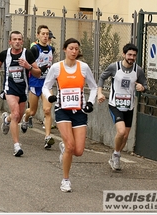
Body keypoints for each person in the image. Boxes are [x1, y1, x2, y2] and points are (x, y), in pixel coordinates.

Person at [42, 38, 97, 192]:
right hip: (62, 110)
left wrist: (90, 102)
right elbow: (46, 86)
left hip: (79, 111)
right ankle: (65, 180)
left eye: (76, 49)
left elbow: (93, 87)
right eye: (71, 48)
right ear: (65, 49)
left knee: (78, 151)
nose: (74, 52)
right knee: (71, 146)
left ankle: (65, 148)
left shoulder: (84, 67)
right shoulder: (56, 67)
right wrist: (50, 97)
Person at [97, 43, 148, 171]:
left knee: (125, 136)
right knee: (121, 131)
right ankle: (116, 155)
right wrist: (99, 93)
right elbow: (102, 77)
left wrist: (143, 88)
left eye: (134, 55)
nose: (131, 57)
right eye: (129, 55)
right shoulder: (115, 67)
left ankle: (116, 154)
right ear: (124, 54)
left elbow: (146, 84)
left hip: (129, 107)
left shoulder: (138, 70)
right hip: (115, 105)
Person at [0, 30, 41, 157]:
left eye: (19, 39)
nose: (17, 42)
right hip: (10, 88)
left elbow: (38, 72)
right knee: (16, 113)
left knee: (17, 117)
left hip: (23, 89)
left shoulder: (27, 54)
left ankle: (6, 120)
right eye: (15, 39)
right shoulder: (4, 54)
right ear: (10, 42)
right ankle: (16, 146)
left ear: (22, 41)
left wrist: (28, 66)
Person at [21, 25, 56, 149]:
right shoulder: (34, 50)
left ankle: (47, 137)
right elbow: (29, 66)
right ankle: (25, 119)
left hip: (47, 84)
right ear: (38, 35)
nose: (45, 36)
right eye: (43, 34)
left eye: (47, 34)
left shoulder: (52, 49)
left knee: (47, 110)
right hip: (35, 82)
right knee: (33, 111)